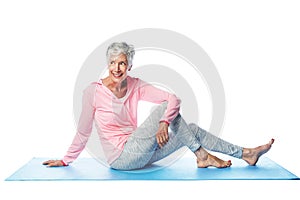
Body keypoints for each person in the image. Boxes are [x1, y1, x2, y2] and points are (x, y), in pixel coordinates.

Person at [43, 42, 274, 170]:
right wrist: (66, 159)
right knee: (163, 111)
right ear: (107, 64)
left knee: (188, 128)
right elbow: (84, 131)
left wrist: (164, 123)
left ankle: (246, 153)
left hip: (144, 154)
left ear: (129, 66)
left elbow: (174, 98)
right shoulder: (93, 91)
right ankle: (203, 155)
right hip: (121, 159)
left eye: (122, 63)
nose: (116, 68)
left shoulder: (135, 85)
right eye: (112, 62)